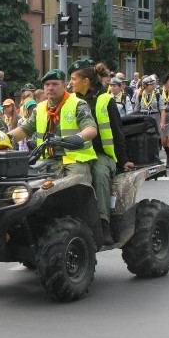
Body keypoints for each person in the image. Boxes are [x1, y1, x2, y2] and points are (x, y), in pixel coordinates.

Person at [70, 60, 132, 245]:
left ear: (86, 80)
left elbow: (117, 131)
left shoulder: (105, 100)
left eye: (74, 78)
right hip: (77, 154)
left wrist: (123, 160)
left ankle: (103, 224)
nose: (71, 82)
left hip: (100, 154)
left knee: (99, 173)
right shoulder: (70, 100)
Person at [8, 68, 97, 179]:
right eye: (47, 84)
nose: (50, 88)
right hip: (45, 160)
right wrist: (4, 139)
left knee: (77, 183)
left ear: (64, 86)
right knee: (26, 187)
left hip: (74, 159)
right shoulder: (40, 108)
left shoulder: (78, 104)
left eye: (55, 84)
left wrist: (77, 138)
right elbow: (25, 129)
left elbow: (91, 129)